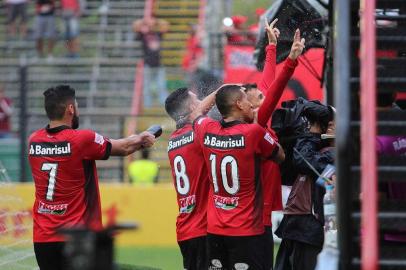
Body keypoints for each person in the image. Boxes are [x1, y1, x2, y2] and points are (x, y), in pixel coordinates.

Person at [28, 85, 156, 270]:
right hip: (77, 237)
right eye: (77, 105)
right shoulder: (81, 139)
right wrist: (143, 137)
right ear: (70, 109)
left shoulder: (34, 140)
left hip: (42, 237)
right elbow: (125, 147)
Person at [193, 84, 285, 270]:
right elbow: (280, 156)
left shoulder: (207, 129)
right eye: (246, 99)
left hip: (215, 230)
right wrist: (260, 126)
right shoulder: (254, 132)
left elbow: (196, 113)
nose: (251, 104)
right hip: (246, 230)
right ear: (238, 104)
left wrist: (218, 91)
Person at [243, 20, 305, 269]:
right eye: (259, 97)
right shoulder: (256, 124)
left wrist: (271, 48)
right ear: (247, 106)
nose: (264, 94)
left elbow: (267, 83)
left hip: (255, 210)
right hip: (257, 212)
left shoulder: (256, 116)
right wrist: (290, 61)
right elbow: (276, 88)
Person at [274, 103, 335, 270]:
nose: (327, 128)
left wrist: (313, 132)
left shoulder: (333, 154)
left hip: (310, 230)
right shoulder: (315, 148)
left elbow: (303, 160)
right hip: (295, 228)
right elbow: (286, 174)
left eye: (330, 124)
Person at [165, 86, 219, 270]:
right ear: (190, 108)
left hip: (185, 230)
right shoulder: (198, 134)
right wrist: (223, 91)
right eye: (197, 100)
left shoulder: (172, 141)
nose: (201, 102)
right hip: (204, 228)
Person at [132, 15, 170, 108]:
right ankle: (147, 105)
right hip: (147, 64)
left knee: (161, 85)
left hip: (159, 64)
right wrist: (144, 21)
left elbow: (166, 25)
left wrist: (156, 21)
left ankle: (164, 104)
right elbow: (134, 26)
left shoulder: (157, 33)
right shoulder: (143, 34)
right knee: (147, 86)